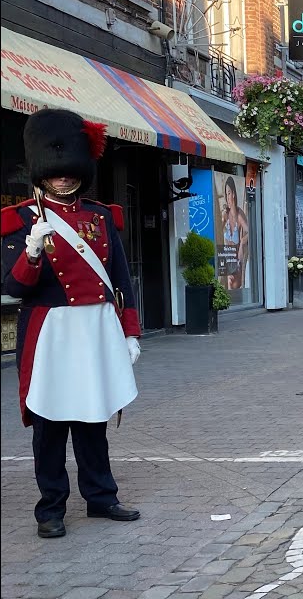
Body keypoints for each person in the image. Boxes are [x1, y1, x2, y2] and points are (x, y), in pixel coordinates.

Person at [2, 109, 143, 538]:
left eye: (69, 173)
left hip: (96, 331)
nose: (62, 180)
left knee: (92, 418)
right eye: (55, 174)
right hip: (50, 333)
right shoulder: (20, 220)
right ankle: (51, 509)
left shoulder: (102, 217)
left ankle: (101, 498)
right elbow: (14, 287)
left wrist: (130, 331)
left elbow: (120, 279)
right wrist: (30, 254)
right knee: (49, 425)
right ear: (42, 171)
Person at [219, 176, 250, 291]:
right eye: (226, 194)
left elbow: (249, 232)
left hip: (236, 258)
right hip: (226, 257)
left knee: (235, 287)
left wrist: (242, 243)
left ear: (234, 194)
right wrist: (222, 218)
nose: (227, 197)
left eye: (229, 193)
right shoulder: (225, 214)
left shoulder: (238, 213)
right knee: (229, 285)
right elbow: (218, 230)